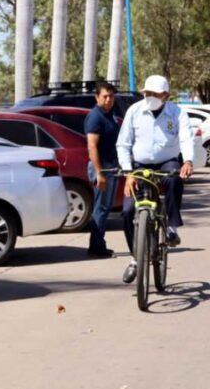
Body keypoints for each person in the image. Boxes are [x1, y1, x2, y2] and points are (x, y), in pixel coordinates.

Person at [116, 75, 195, 284]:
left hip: (167, 161)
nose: (149, 97)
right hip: (139, 165)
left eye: (155, 94)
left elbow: (186, 138)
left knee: (174, 179)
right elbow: (123, 144)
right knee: (127, 210)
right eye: (147, 93)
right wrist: (128, 172)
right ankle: (134, 259)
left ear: (166, 96)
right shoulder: (134, 111)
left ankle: (171, 228)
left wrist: (188, 161)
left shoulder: (177, 113)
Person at [83, 81, 121, 259]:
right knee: (101, 208)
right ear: (97, 97)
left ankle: (98, 244)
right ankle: (97, 247)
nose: (108, 99)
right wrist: (99, 173)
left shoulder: (110, 114)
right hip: (103, 168)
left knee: (105, 208)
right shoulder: (95, 117)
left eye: (111, 96)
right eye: (105, 96)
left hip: (112, 166)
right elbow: (92, 146)